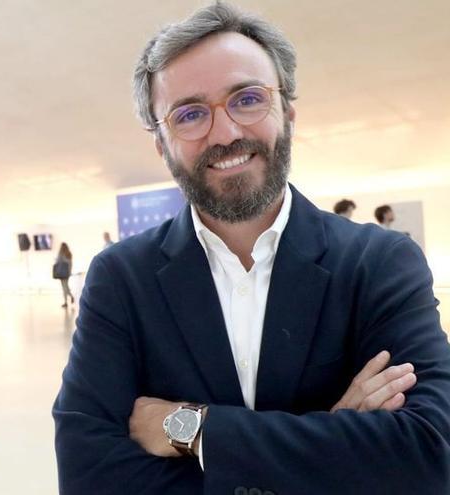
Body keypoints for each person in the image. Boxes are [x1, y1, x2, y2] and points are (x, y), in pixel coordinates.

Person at [53, 4, 450, 494]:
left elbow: (430, 455)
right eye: (190, 114)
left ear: (288, 112)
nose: (226, 133)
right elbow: (90, 476)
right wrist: (335, 436)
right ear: (162, 144)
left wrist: (193, 430)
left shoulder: (379, 263)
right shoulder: (121, 279)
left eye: (247, 99)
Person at [54, 243, 74, 308]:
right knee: (66, 286)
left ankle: (66, 301)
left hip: (61, 273)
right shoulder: (69, 254)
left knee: (64, 287)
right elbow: (70, 264)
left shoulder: (61, 254)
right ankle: (70, 297)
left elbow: (57, 262)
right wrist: (70, 272)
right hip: (67, 273)